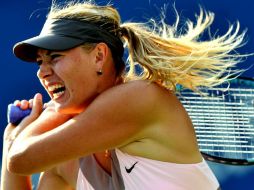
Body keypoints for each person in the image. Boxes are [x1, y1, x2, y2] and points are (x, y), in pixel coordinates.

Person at [1, 1, 247, 190]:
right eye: (39, 62)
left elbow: (23, 159)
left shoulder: (140, 98)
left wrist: (43, 118)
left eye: (55, 57)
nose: (43, 72)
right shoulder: (67, 158)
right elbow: (18, 160)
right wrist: (10, 139)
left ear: (99, 56)